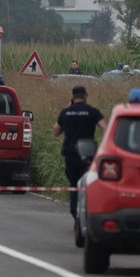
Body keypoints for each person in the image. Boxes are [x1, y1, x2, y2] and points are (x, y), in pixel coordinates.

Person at [53, 85, 105, 219]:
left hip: (71, 154)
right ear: (85, 96)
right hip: (88, 153)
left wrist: (68, 107)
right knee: (87, 184)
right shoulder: (92, 112)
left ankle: (74, 211)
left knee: (74, 184)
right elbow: (105, 128)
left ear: (73, 96)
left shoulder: (66, 112)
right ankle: (86, 211)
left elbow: (56, 132)